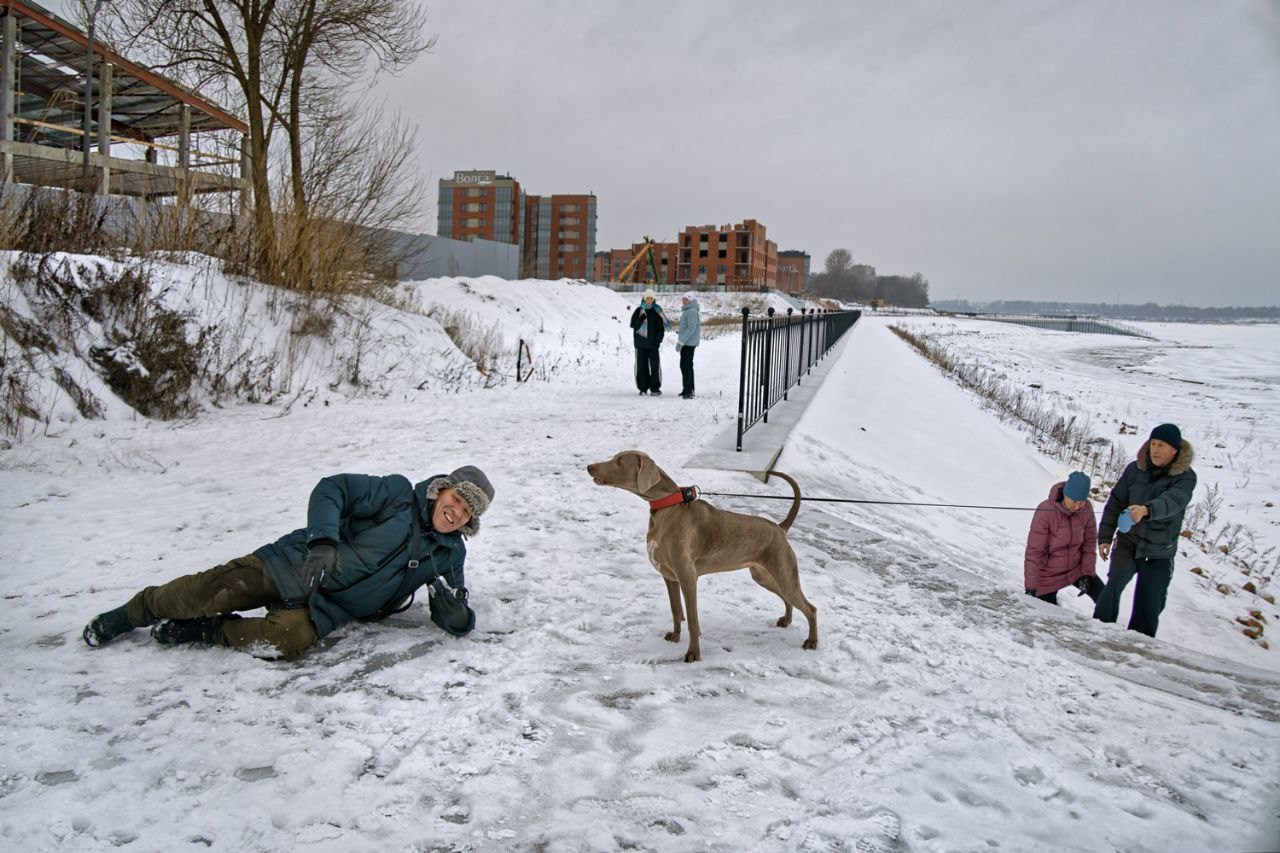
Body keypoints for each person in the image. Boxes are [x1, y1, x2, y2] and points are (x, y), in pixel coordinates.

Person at [82, 466, 495, 658]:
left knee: (287, 641)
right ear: (442, 491)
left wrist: (455, 615)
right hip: (296, 564)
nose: (456, 511)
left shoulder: (449, 553)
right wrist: (323, 541)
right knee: (205, 592)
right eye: (456, 499)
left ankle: (205, 632)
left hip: (327, 609)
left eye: (466, 512)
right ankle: (132, 612)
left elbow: (460, 613)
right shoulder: (395, 493)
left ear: (469, 522)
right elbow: (332, 488)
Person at [1093, 423, 1196, 638]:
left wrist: (1147, 510)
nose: (1155, 450)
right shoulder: (1135, 469)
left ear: (1174, 450)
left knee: (1149, 604)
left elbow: (1174, 500)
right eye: (1153, 444)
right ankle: (1097, 633)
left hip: (1159, 550)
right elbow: (1115, 503)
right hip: (1128, 542)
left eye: (1161, 445)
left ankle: (1138, 648)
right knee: (1113, 586)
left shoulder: (1185, 477)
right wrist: (1105, 537)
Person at [1024, 471, 1102, 605]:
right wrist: (1031, 587)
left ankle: (1103, 626)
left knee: (1105, 597)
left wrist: (1087, 573)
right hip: (1048, 575)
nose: (1077, 506)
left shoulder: (1086, 509)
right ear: (1066, 494)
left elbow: (1089, 544)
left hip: (1075, 568)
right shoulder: (1045, 511)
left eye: (1081, 502)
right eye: (1074, 501)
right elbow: (1035, 551)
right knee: (1048, 616)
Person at [630, 288, 669, 395]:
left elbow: (661, 329)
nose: (649, 300)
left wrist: (658, 340)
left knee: (655, 366)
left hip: (653, 345)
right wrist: (641, 319)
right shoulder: (639, 311)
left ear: (653, 299)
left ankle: (655, 388)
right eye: (647, 298)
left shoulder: (657, 311)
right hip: (640, 344)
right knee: (642, 367)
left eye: (651, 298)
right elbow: (633, 325)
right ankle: (643, 388)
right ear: (644, 298)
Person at [676, 291, 701, 399]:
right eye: (683, 299)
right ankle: (688, 389)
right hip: (687, 342)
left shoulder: (691, 311)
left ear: (690, 300)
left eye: (686, 299)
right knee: (687, 366)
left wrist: (681, 342)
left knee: (685, 366)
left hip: (688, 343)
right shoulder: (688, 310)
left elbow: (691, 328)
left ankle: (689, 391)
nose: (683, 301)